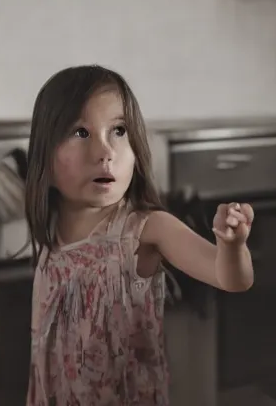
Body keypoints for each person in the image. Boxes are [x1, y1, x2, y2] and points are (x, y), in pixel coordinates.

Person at [22, 65, 255, 405]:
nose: (105, 151)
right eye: (81, 133)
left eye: (119, 130)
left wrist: (232, 247)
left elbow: (231, 278)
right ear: (45, 157)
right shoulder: (51, 229)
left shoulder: (145, 230)